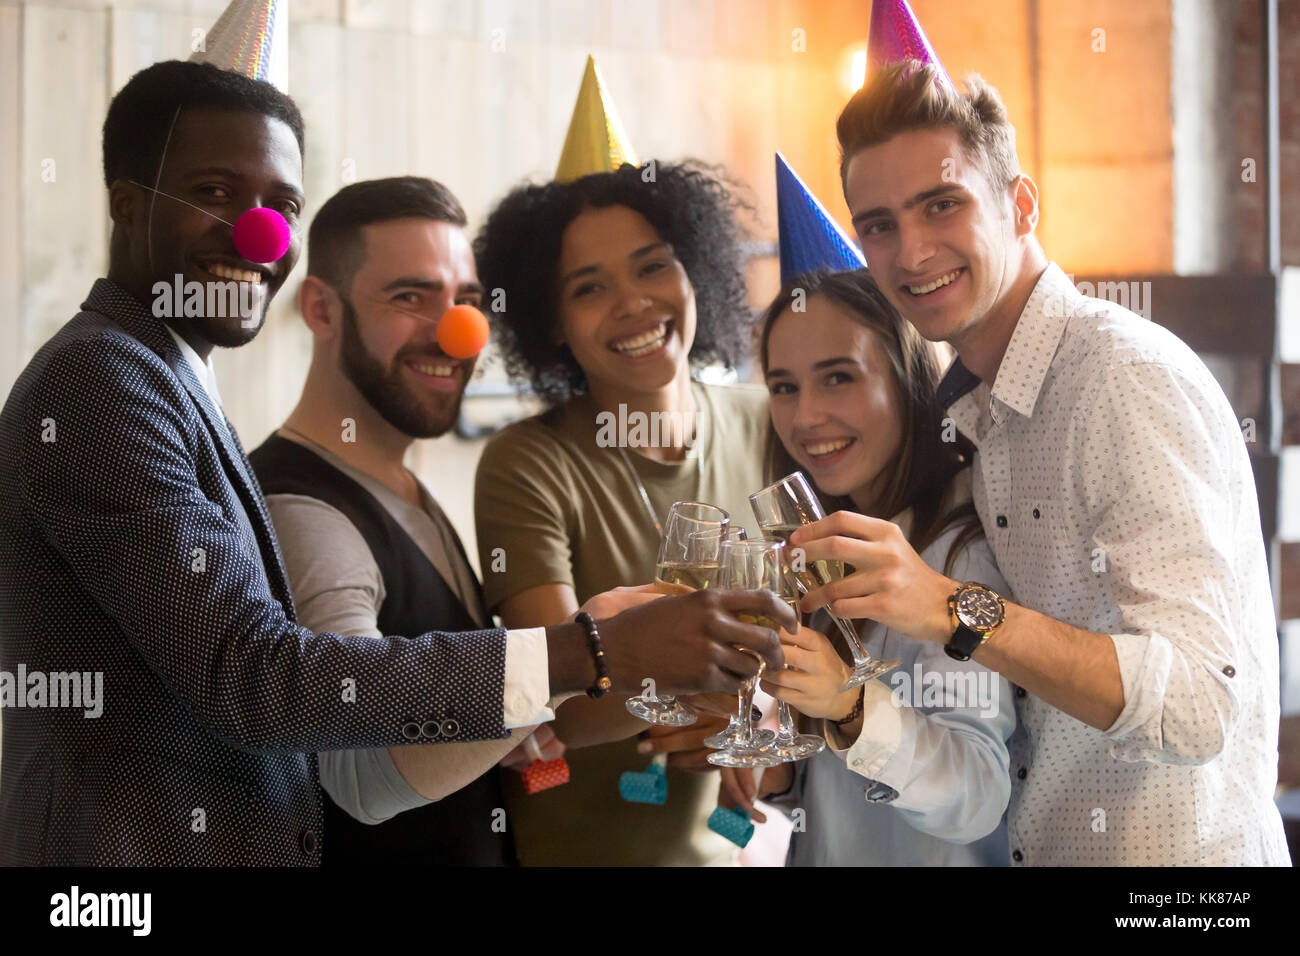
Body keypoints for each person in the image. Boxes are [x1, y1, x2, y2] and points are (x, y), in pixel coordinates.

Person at [0, 61, 793, 866]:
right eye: (214, 191)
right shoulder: (103, 380)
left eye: (282, 207)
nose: (260, 235)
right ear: (128, 203)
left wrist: (535, 707)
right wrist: (591, 650)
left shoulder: (173, 385)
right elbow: (260, 680)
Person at [790, 59, 1291, 865]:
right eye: (878, 223)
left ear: (1021, 204)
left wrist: (954, 610)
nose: (911, 251)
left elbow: (1199, 706)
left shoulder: (1121, 377)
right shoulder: (985, 412)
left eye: (942, 204)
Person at [249, 176, 565, 866]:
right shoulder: (302, 510)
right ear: (321, 309)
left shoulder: (406, 485)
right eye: (410, 298)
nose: (457, 331)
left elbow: (433, 718)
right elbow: (362, 776)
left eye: (467, 302)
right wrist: (583, 656)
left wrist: (503, 728)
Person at [473, 160, 772, 865]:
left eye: (653, 267)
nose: (633, 302)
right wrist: (724, 690)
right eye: (589, 287)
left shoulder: (769, 423)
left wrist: (752, 711)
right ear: (551, 323)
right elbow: (559, 698)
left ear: (695, 270)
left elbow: (816, 646)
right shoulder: (526, 464)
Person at [718, 268, 1013, 865]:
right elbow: (848, 795)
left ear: (907, 377)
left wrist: (851, 705)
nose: (804, 418)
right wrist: (777, 770)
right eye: (784, 386)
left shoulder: (960, 554)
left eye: (838, 377)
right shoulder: (827, 546)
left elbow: (977, 795)